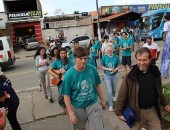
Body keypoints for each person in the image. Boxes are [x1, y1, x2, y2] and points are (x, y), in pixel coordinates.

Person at [115, 47, 170, 130]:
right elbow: (122, 94)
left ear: (150, 60)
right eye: (139, 60)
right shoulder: (130, 76)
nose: (141, 63)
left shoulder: (155, 72)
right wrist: (118, 112)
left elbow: (159, 90)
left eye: (144, 60)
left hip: (152, 111)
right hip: (136, 113)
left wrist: (164, 103)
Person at [61, 46, 106, 130]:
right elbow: (66, 96)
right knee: (81, 128)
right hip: (78, 107)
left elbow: (97, 85)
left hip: (93, 104)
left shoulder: (92, 69)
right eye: (81, 58)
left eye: (85, 58)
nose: (83, 61)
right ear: (75, 58)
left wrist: (102, 100)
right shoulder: (69, 75)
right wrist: (71, 113)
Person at [101, 45, 120, 112]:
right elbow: (102, 66)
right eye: (108, 50)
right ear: (106, 50)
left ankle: (114, 95)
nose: (109, 51)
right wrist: (108, 69)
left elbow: (118, 66)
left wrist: (114, 70)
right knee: (109, 91)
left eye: (110, 50)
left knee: (114, 89)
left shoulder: (116, 57)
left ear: (113, 50)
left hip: (114, 75)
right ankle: (111, 105)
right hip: (107, 76)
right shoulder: (104, 57)